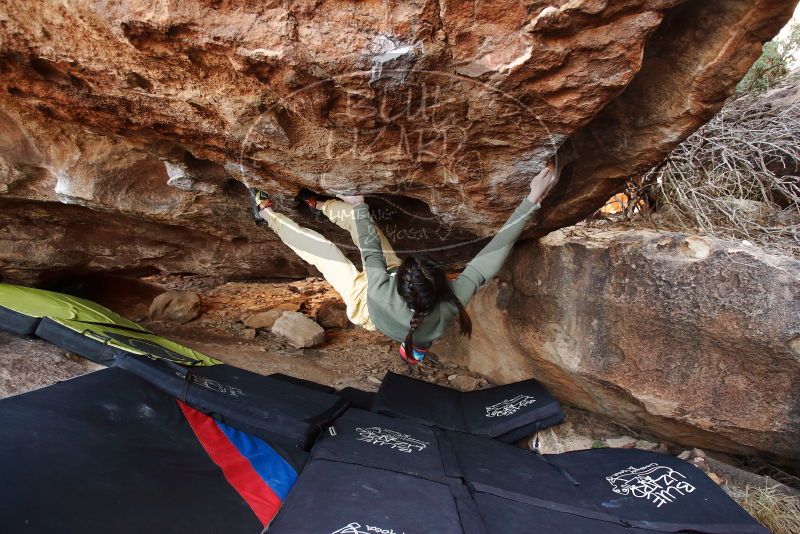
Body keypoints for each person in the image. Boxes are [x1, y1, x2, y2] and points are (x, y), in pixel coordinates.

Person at [251, 163, 558, 364]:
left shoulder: (384, 289)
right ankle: (322, 206)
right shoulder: (449, 303)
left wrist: (359, 205)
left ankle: (266, 213)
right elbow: (486, 262)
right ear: (440, 286)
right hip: (397, 310)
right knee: (358, 224)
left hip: (366, 303)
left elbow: (370, 248)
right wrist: (529, 202)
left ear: (399, 277)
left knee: (324, 251)